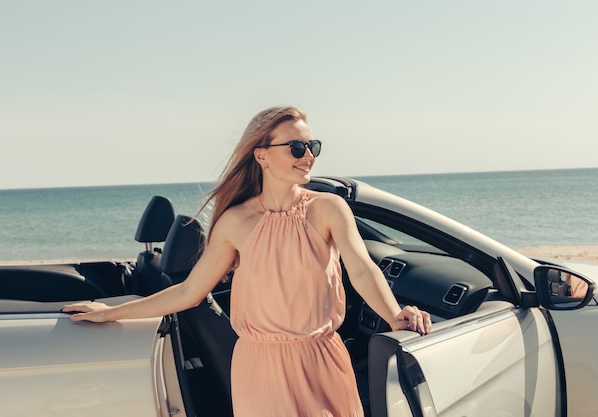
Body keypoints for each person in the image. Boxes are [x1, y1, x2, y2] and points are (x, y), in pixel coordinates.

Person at [63, 106, 432, 417]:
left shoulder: (327, 208)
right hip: (261, 366)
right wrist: (112, 312)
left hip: (322, 357)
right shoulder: (236, 222)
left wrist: (393, 313)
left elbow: (362, 269)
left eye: (312, 145)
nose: (309, 156)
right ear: (261, 155)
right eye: (297, 147)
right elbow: (190, 292)